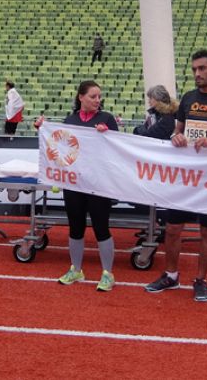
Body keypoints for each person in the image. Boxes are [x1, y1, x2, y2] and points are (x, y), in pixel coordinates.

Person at [144, 49, 207, 302]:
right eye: (194, 69)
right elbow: (177, 131)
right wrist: (176, 137)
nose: (197, 73)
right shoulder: (188, 99)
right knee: (172, 228)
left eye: (202, 68)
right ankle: (171, 275)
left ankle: (201, 280)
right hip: (185, 176)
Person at [35, 80, 118, 292]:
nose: (97, 100)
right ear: (81, 97)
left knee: (101, 228)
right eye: (93, 96)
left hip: (98, 184)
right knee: (75, 227)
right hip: (74, 184)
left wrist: (108, 135)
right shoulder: (70, 120)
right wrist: (43, 128)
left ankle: (107, 273)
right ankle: (76, 269)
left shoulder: (107, 119)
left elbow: (117, 148)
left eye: (99, 97)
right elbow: (59, 146)